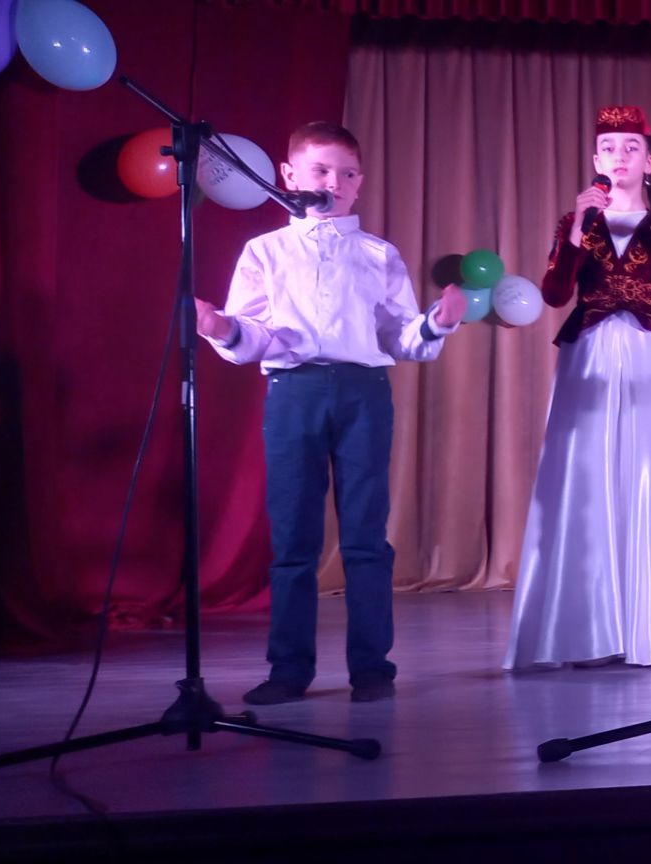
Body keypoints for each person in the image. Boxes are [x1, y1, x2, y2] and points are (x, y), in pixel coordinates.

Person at [197, 121, 466, 703]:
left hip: (363, 393)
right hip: (294, 392)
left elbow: (401, 336)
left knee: (366, 534)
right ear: (290, 175)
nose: (333, 183)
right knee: (294, 536)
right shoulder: (265, 251)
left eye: (346, 174)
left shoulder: (378, 254)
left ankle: (372, 667)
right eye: (320, 170)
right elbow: (257, 335)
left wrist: (437, 323)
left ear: (359, 183)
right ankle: (289, 669)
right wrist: (222, 328)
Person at [503, 104, 651, 671]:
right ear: (596, 159)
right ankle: (588, 629)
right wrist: (575, 235)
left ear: (649, 162)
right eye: (609, 148)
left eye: (631, 148)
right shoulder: (578, 221)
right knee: (588, 482)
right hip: (588, 358)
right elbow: (555, 294)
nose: (620, 156)